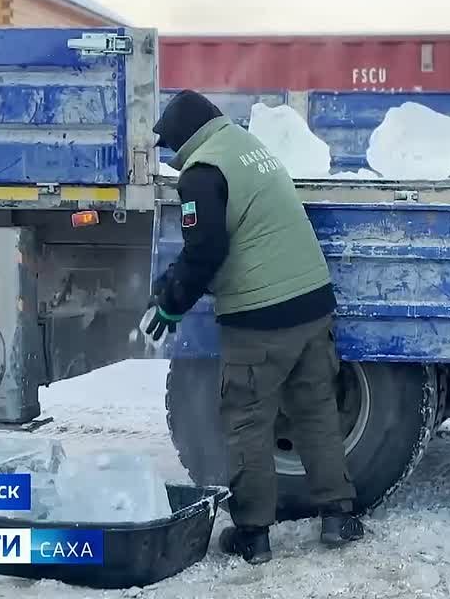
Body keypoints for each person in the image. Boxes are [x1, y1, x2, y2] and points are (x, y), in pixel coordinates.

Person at [143, 90, 365, 565]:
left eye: (170, 147)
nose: (171, 157)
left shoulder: (201, 173)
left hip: (261, 317)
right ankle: (338, 516)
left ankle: (253, 534)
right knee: (316, 410)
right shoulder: (247, 147)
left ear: (183, 139)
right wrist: (173, 283)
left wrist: (170, 306)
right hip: (312, 302)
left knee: (247, 422)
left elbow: (205, 253)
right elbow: (238, 231)